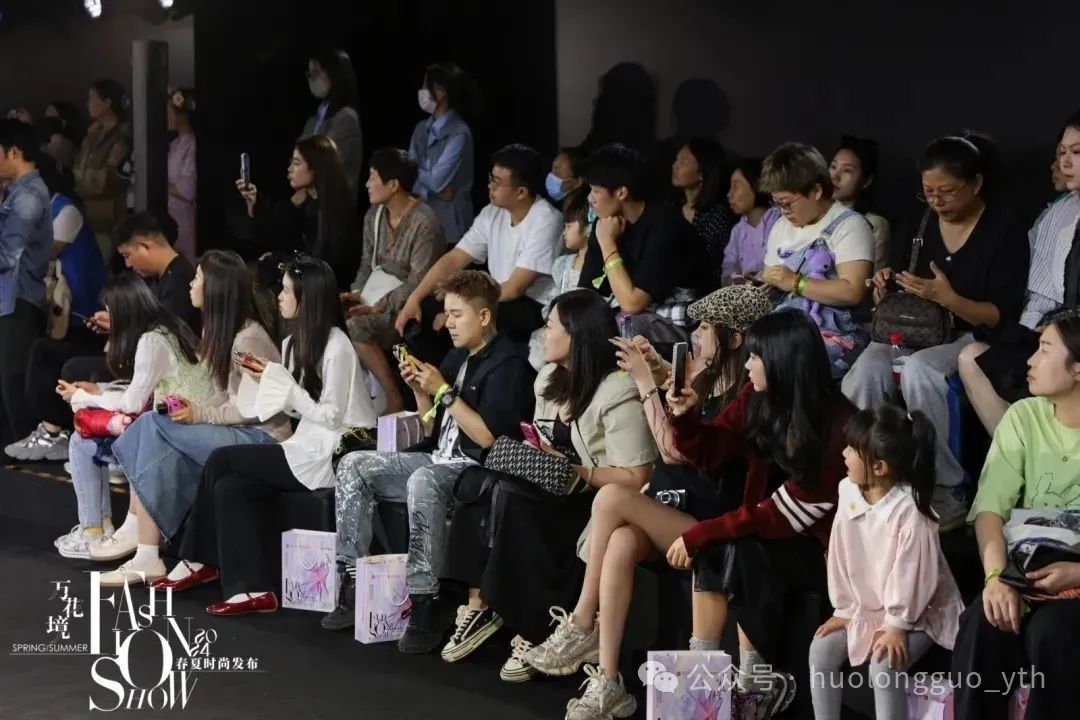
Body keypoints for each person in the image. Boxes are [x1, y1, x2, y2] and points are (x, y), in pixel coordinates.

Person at [523, 285, 771, 719]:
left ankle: (582, 621)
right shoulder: (706, 379)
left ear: (734, 339)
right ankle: (609, 681)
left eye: (705, 328)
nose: (696, 335)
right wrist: (658, 371)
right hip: (679, 511)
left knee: (612, 497)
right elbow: (683, 414)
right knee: (620, 542)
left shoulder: (746, 397)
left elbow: (674, 451)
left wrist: (643, 381)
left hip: (716, 525)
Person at [440, 288, 656, 690]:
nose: (543, 333)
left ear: (577, 333)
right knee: (484, 482)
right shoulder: (547, 379)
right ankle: (485, 605)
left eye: (551, 326)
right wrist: (538, 455)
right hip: (555, 485)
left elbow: (637, 475)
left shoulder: (617, 389)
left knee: (516, 500)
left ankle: (536, 626)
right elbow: (540, 440)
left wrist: (579, 471)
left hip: (596, 499)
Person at [157, 257, 381, 616]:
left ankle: (197, 559)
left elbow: (331, 416)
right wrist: (267, 383)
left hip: (338, 447)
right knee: (230, 487)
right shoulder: (292, 343)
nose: (279, 296)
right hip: (306, 442)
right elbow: (294, 408)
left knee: (222, 460)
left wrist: (284, 387)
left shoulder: (337, 345)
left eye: (287, 291)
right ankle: (251, 589)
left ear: (307, 298)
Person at [322, 270, 535, 639]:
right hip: (437, 457)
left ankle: (423, 602)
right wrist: (420, 390)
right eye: (447, 313)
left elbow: (488, 438)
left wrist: (444, 392)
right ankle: (350, 581)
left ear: (484, 316)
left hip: (474, 469)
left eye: (457, 314)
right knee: (354, 464)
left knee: (424, 479)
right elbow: (429, 427)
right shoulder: (457, 356)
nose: (448, 323)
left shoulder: (509, 365)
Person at [664, 310, 857, 716]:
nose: (748, 365)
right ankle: (700, 683)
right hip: (770, 532)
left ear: (783, 361)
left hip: (825, 553)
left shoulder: (838, 425)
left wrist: (701, 532)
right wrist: (686, 417)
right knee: (721, 547)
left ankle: (755, 685)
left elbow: (783, 515)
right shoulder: (755, 397)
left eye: (755, 357)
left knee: (740, 547)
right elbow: (713, 452)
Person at [843, 135, 1029, 519]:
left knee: (921, 371)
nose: (937, 201)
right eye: (928, 192)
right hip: (913, 328)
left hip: (968, 334)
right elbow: (901, 282)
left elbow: (999, 315)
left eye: (947, 191)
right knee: (863, 373)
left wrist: (947, 298)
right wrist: (885, 285)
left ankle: (946, 485)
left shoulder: (1003, 230)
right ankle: (875, 471)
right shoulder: (919, 221)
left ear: (976, 184)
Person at [95, 251, 292, 584]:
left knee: (151, 424)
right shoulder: (226, 333)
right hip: (242, 431)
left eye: (198, 278)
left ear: (214, 287)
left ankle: (140, 536)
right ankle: (145, 549)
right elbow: (226, 396)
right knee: (157, 429)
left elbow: (256, 408)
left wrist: (199, 412)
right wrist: (192, 406)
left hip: (263, 438)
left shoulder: (247, 340)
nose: (191, 283)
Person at [951, 310, 1080, 720]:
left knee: (1053, 633)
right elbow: (991, 510)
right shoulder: (1024, 417)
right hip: (1024, 569)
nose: (1030, 360)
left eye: (1044, 350)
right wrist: (996, 579)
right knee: (983, 621)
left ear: (1078, 369)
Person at [808, 406, 964, 720]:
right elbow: (841, 552)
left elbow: (913, 578)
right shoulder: (847, 491)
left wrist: (897, 625)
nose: (843, 454)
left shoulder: (910, 512)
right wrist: (845, 609)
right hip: (867, 607)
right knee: (821, 650)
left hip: (919, 612)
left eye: (852, 450)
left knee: (884, 664)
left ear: (879, 467)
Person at [6, 212, 193, 462]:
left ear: (145, 246)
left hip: (154, 367)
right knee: (45, 351)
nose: (128, 265)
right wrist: (116, 325)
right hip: (134, 351)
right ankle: (53, 431)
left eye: (127, 255)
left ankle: (71, 437)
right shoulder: (156, 279)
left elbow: (164, 339)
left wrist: (120, 325)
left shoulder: (180, 279)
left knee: (74, 368)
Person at [54, 274, 214, 560]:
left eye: (111, 311)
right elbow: (144, 392)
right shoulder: (169, 328)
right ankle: (101, 527)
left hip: (173, 435)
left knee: (81, 442)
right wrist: (99, 390)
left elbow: (132, 404)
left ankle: (93, 531)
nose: (108, 319)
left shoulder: (151, 341)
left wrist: (82, 398)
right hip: (183, 426)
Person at [957, 112, 1080, 434]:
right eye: (1062, 152)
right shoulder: (1058, 213)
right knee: (972, 357)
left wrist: (1062, 329)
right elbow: (1034, 287)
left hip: (1071, 337)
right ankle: (1018, 457)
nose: (1065, 162)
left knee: (1053, 362)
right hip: (1044, 330)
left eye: (1076, 152)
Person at [394, 144, 562, 350]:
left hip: (531, 304)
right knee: (426, 309)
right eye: (491, 179)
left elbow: (515, 288)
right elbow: (454, 258)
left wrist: (462, 305)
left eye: (497, 182)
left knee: (466, 318)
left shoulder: (546, 219)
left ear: (521, 192)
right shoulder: (492, 212)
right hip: (497, 295)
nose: (490, 186)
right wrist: (415, 297)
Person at [759, 142, 875, 378]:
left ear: (817, 191)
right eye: (776, 203)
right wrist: (764, 286)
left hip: (833, 333)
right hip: (784, 329)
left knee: (791, 363)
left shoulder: (849, 225)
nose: (783, 211)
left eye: (787, 203)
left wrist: (795, 282)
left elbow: (853, 291)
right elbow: (772, 278)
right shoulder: (780, 227)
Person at [345, 147, 446, 413]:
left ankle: (393, 397)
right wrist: (357, 294)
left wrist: (379, 305)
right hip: (374, 295)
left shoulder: (424, 222)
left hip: (408, 304)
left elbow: (419, 280)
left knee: (356, 326)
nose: (367, 184)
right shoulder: (374, 215)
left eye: (373, 177)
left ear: (393, 184)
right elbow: (367, 264)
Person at [577, 143, 701, 348]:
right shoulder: (604, 223)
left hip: (680, 325)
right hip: (634, 316)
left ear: (622, 192)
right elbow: (586, 292)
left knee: (623, 327)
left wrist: (608, 243)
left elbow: (632, 303)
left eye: (596, 191)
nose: (590, 199)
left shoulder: (665, 227)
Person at [237, 134, 359, 289]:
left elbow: (322, 265)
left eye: (296, 163)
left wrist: (281, 263)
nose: (290, 169)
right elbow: (272, 232)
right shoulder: (302, 200)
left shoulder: (336, 210)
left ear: (315, 168)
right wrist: (253, 202)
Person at [0, 119, 52, 449]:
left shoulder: (28, 196)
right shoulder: (17, 193)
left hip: (18, 301)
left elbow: (7, 256)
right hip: (11, 299)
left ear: (13, 152)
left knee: (14, 386)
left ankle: (23, 456)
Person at [408, 62, 475, 244]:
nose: (422, 91)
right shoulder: (421, 129)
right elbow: (408, 174)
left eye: (425, 85)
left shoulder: (459, 133)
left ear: (441, 91)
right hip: (422, 220)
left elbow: (436, 180)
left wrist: (418, 175)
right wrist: (433, 190)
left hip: (450, 226)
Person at [527, 188, 592, 369]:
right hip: (557, 324)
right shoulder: (562, 264)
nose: (564, 233)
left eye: (569, 226)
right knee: (537, 359)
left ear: (588, 228)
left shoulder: (598, 267)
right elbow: (554, 298)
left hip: (581, 330)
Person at [73, 79, 132, 261]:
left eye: (92, 98)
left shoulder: (122, 136)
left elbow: (109, 178)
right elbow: (77, 169)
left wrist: (83, 182)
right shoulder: (91, 136)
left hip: (109, 218)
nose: (88, 104)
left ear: (107, 103)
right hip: (87, 216)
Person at [672, 138, 735, 293]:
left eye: (683, 161)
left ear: (702, 172)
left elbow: (712, 265)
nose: (675, 166)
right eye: (676, 160)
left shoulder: (717, 215)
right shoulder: (671, 207)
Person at [300, 48, 363, 194]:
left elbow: (327, 164)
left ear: (334, 73)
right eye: (309, 73)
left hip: (334, 202)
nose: (311, 78)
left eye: (316, 72)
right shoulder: (312, 121)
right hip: (311, 200)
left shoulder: (346, 118)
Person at [829, 135, 891, 272]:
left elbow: (871, 279)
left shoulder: (874, 224)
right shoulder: (815, 210)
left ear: (866, 181)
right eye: (833, 167)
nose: (835, 176)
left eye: (847, 170)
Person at [723, 157, 779, 283]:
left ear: (757, 184)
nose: (729, 194)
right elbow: (729, 268)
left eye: (735, 186)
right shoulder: (737, 231)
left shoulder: (778, 220)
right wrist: (734, 280)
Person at [167, 88, 197, 262]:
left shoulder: (191, 145)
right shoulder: (174, 144)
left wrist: (159, 184)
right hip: (170, 215)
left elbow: (187, 190)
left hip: (183, 218)